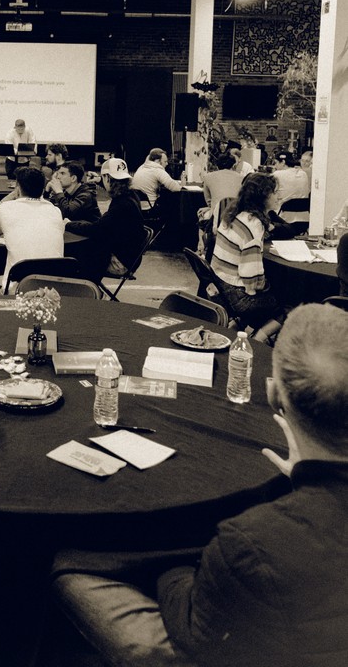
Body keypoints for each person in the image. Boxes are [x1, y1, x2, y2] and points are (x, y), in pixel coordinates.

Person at [52, 301, 348, 667]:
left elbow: (193, 626)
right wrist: (305, 480)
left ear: (275, 396)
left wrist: (172, 560)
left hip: (217, 649)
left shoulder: (251, 540)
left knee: (69, 566)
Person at [210, 172, 285, 339]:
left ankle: (236, 326)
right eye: (274, 192)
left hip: (221, 287)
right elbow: (251, 276)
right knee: (287, 304)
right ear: (262, 197)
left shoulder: (234, 214)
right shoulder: (254, 225)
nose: (278, 196)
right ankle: (257, 341)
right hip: (238, 295)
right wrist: (265, 286)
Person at [0, 166, 65, 294]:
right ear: (42, 189)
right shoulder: (55, 211)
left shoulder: (5, 208)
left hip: (20, 289)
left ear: (18, 188)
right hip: (53, 288)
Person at [66, 158, 147, 283]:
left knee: (74, 257)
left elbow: (96, 229)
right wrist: (99, 179)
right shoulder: (130, 195)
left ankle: (88, 289)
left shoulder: (121, 205)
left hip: (120, 262)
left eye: (104, 178)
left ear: (107, 178)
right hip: (130, 257)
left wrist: (69, 224)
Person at [272, 151, 310, 221]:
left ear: (283, 162)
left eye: (276, 163)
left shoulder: (277, 174)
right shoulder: (303, 174)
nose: (275, 166)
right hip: (304, 217)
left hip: (283, 218)